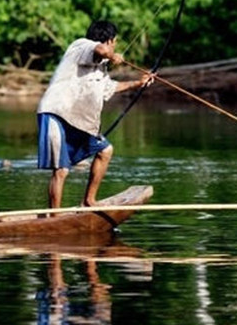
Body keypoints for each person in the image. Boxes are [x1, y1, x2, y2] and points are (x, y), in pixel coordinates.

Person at [37, 20, 154, 209]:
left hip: (79, 121)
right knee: (61, 170)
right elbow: (100, 50)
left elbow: (111, 88)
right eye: (114, 42)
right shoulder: (81, 46)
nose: (115, 46)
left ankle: (88, 201)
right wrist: (112, 54)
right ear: (110, 40)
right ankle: (54, 216)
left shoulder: (100, 70)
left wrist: (138, 83)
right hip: (56, 113)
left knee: (105, 151)